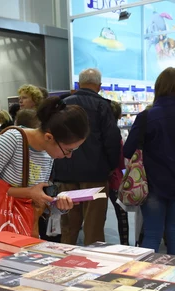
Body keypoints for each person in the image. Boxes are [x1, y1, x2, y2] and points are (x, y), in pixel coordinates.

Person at [123, 68, 175, 255]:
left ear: (158, 87)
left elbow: (127, 150)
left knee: (152, 233)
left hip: (152, 183)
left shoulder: (147, 116)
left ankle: (146, 277)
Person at [0, 97, 89, 213]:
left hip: (27, 226)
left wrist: (57, 205)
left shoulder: (48, 152)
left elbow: (38, 202)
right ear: (49, 137)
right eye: (68, 150)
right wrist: (28, 192)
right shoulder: (12, 140)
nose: (69, 156)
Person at [55, 68, 121, 245]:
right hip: (95, 176)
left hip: (66, 173)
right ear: (99, 86)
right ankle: (94, 266)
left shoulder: (62, 105)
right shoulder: (103, 106)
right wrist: (110, 167)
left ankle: (63, 264)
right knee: (94, 226)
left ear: (79, 84)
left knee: (68, 225)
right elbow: (112, 140)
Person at [108, 101, 129, 246]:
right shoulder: (116, 134)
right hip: (116, 179)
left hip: (102, 178)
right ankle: (125, 244)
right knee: (122, 215)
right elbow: (121, 161)